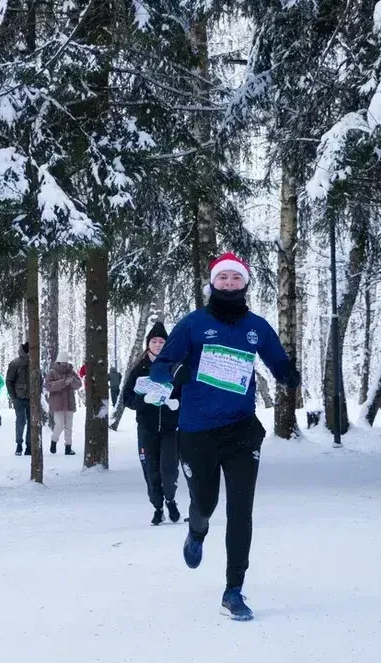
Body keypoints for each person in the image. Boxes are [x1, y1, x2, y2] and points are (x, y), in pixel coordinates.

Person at [149, 252, 299, 622]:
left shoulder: (257, 326)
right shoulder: (194, 324)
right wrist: (178, 371)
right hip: (197, 431)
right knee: (206, 503)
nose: (229, 283)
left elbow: (276, 359)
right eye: (223, 278)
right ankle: (196, 530)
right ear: (212, 284)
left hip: (241, 429)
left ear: (245, 283)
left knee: (240, 510)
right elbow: (158, 369)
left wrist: (288, 374)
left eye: (236, 278)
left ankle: (233, 589)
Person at [121, 321, 182, 526]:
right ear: (148, 344)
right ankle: (158, 507)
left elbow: (186, 392)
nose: (157, 344)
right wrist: (143, 401)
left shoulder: (173, 365)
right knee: (151, 470)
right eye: (154, 341)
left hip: (169, 428)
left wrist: (177, 404)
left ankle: (171, 500)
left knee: (169, 468)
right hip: (146, 428)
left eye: (161, 341)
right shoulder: (140, 368)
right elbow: (127, 398)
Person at [46, 352, 82, 455]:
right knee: (60, 424)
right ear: (58, 362)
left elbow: (79, 384)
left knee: (69, 426)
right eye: (62, 363)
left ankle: (68, 447)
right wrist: (63, 382)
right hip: (57, 403)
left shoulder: (71, 372)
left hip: (69, 402)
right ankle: (54, 440)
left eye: (65, 363)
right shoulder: (52, 372)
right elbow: (48, 386)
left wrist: (72, 381)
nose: (64, 365)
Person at [6, 343, 31, 455]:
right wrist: (14, 397)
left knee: (32, 423)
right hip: (19, 398)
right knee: (21, 422)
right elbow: (9, 381)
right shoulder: (15, 363)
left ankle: (29, 446)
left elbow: (39, 379)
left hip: (32, 398)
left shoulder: (34, 362)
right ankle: (19, 444)